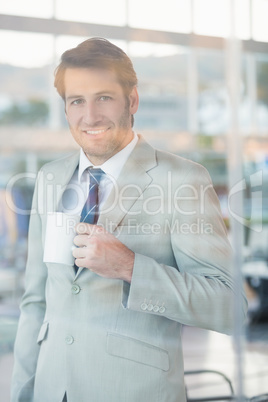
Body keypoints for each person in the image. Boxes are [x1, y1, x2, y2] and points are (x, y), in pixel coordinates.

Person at [11, 37, 247, 402]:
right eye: (77, 101)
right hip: (51, 390)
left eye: (104, 97)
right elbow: (35, 303)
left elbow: (230, 307)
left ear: (132, 100)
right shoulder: (50, 177)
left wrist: (131, 267)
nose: (90, 116)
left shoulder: (182, 180)